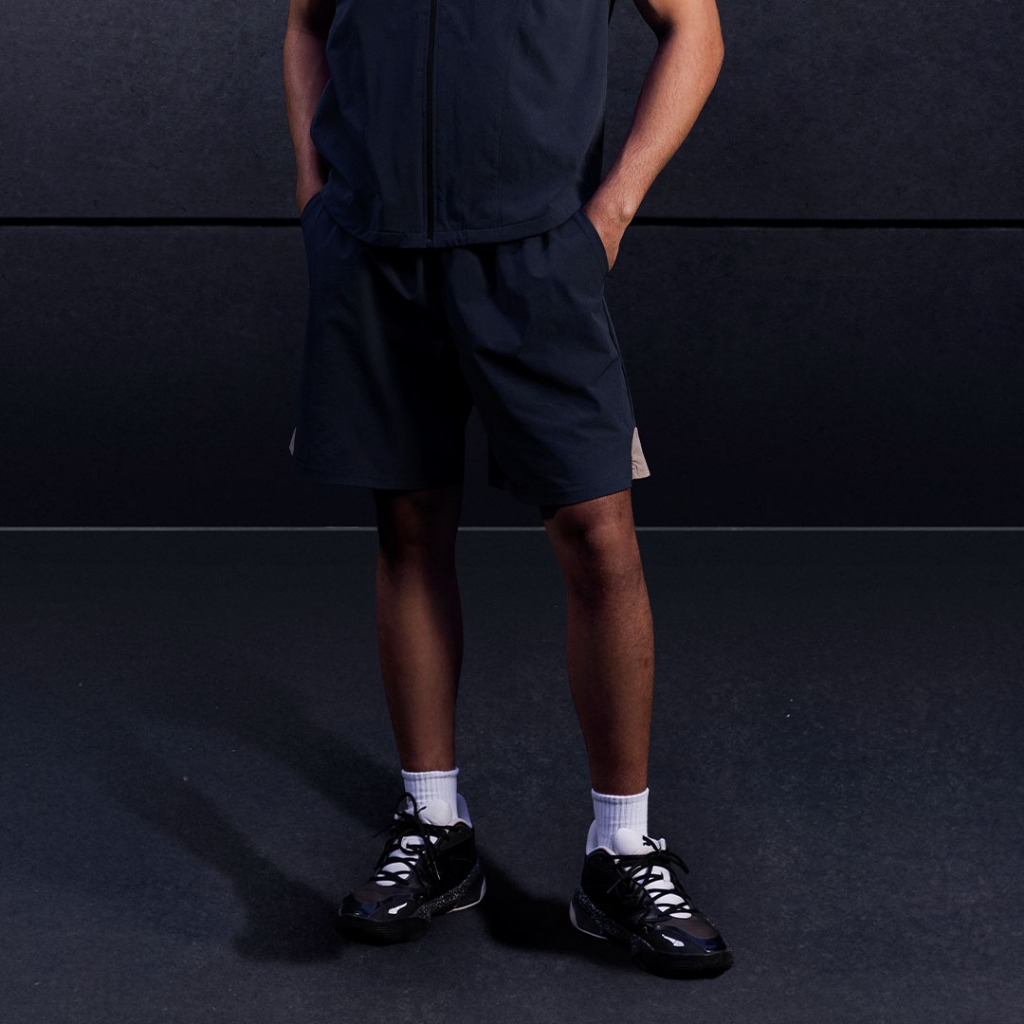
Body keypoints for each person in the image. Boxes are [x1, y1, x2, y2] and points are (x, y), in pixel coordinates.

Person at [282, 0, 728, 978]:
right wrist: (315, 194)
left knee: (597, 534)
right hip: (374, 250)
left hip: (534, 253)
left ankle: (622, 850)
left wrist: (609, 213)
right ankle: (434, 828)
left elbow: (694, 27)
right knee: (407, 526)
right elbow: (307, 23)